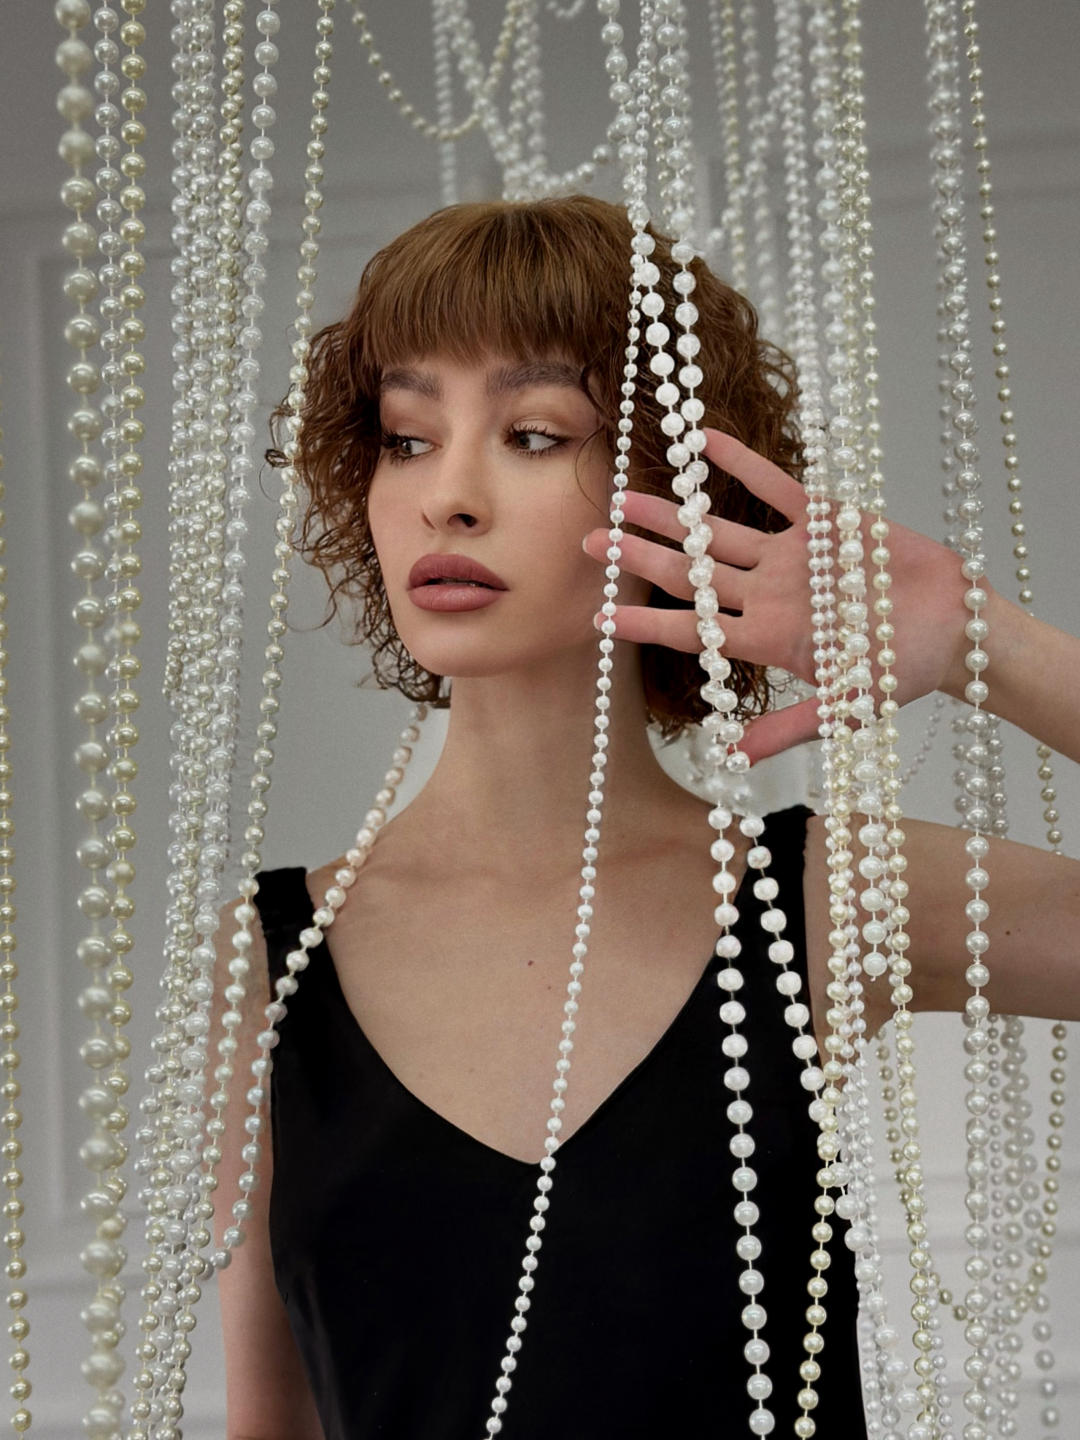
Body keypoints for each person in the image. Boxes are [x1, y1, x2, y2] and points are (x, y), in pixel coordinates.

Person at [214, 195, 1080, 1440]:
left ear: (683, 488)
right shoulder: (267, 958)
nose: (447, 495)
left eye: (532, 433)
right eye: (407, 437)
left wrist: (988, 648)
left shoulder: (828, 899)